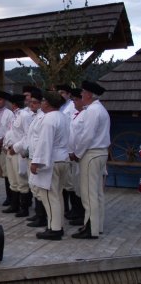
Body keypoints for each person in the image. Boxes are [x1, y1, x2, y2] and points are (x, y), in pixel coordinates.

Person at [70, 81, 109, 239]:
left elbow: (87, 136)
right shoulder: (98, 109)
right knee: (97, 192)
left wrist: (77, 153)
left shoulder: (93, 110)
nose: (82, 95)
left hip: (91, 153)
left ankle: (91, 228)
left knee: (88, 192)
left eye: (84, 92)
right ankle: (96, 225)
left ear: (89, 95)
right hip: (99, 152)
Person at [29, 91, 69, 240]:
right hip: (62, 159)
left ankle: (55, 229)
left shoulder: (49, 119)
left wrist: (36, 162)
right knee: (57, 195)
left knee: (49, 195)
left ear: (48, 103)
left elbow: (45, 142)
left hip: (51, 161)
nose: (42, 103)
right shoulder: (62, 117)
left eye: (44, 101)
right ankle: (57, 225)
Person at [16, 89, 48, 228]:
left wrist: (35, 158)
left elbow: (41, 140)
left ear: (41, 103)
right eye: (30, 102)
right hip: (30, 154)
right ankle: (38, 214)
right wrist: (21, 149)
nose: (31, 105)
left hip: (37, 157)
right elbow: (28, 137)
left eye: (35, 103)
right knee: (33, 187)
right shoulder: (35, 116)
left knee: (39, 188)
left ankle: (42, 217)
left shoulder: (43, 117)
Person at [2, 94, 33, 217]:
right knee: (12, 180)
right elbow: (10, 132)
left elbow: (27, 135)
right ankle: (14, 205)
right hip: (10, 150)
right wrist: (6, 145)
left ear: (14, 104)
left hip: (18, 152)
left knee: (21, 181)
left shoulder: (25, 116)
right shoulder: (15, 115)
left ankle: (24, 208)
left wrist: (16, 147)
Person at [65, 88, 86, 225]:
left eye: (76, 100)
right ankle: (77, 211)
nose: (74, 102)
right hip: (72, 155)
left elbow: (85, 136)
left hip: (80, 155)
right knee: (75, 185)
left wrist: (77, 153)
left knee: (81, 186)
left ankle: (82, 214)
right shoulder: (75, 114)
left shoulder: (86, 114)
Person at [56, 84, 77, 214]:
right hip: (62, 148)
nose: (61, 95)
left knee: (70, 183)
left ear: (69, 94)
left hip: (70, 148)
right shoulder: (59, 107)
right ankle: (65, 209)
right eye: (59, 92)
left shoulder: (72, 107)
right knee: (62, 183)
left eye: (63, 92)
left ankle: (75, 209)